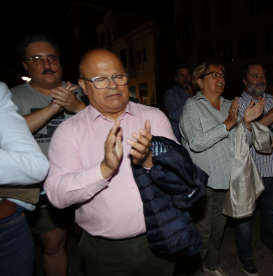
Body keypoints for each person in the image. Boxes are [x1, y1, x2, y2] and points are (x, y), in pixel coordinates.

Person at [44, 49, 183, 276]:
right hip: (104, 250)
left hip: (161, 234)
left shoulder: (153, 117)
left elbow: (182, 175)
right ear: (83, 86)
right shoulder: (69, 131)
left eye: (119, 76)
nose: (113, 85)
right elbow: (57, 195)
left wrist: (150, 161)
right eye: (100, 79)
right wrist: (104, 169)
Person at [179, 60, 265, 276]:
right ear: (200, 81)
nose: (221, 78)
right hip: (202, 181)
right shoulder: (193, 106)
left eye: (223, 75)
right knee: (202, 231)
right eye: (214, 74)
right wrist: (227, 124)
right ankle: (192, 270)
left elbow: (245, 142)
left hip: (227, 178)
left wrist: (245, 124)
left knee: (218, 229)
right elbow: (196, 142)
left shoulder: (230, 105)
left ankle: (211, 264)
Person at [11, 34, 86, 276]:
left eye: (51, 58)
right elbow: (8, 132)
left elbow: (102, 126)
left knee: (90, 240)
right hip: (41, 188)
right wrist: (53, 107)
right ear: (25, 65)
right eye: (37, 59)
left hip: (83, 181)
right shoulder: (12, 97)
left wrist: (77, 107)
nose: (46, 64)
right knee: (53, 244)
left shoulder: (77, 92)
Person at [234, 63, 273, 276]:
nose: (261, 79)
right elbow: (256, 128)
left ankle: (271, 242)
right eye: (255, 75)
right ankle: (245, 254)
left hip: (272, 168)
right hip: (250, 170)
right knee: (246, 217)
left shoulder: (272, 100)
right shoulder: (238, 104)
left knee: (272, 211)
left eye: (263, 75)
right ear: (245, 80)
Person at [0, 82, 49, 276]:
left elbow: (36, 166)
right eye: (36, 59)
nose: (46, 65)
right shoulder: (17, 93)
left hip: (7, 223)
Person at [164, 65, 193, 142]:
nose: (185, 78)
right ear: (176, 79)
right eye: (181, 75)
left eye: (188, 75)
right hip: (178, 140)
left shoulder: (198, 92)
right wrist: (190, 101)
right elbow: (174, 116)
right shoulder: (171, 93)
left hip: (196, 138)